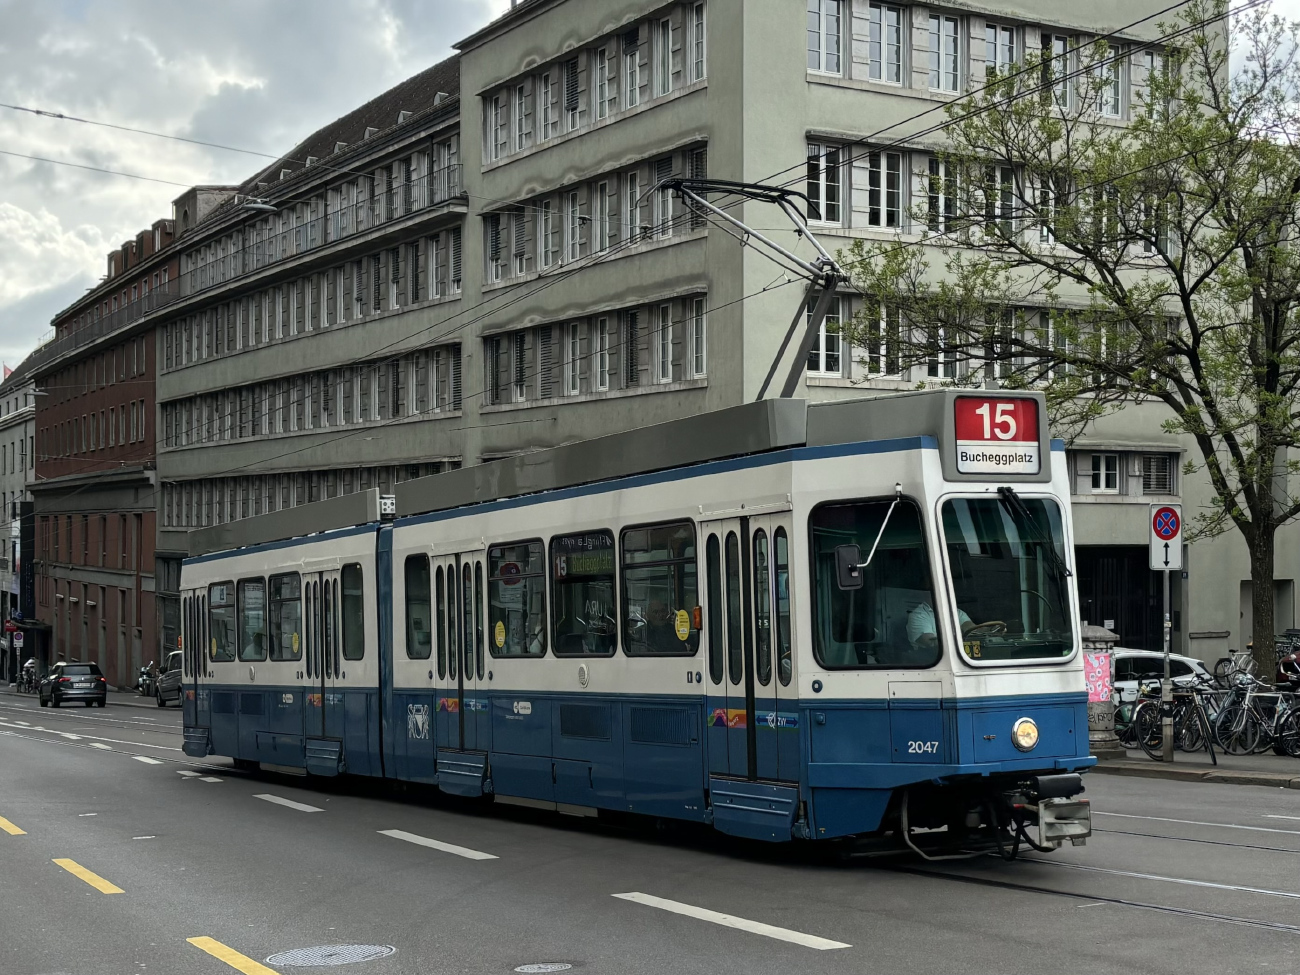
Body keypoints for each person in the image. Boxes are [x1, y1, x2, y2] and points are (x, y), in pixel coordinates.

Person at [906, 601, 978, 650]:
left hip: (959, 655)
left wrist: (987, 631)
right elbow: (931, 643)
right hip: (930, 660)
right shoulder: (918, 615)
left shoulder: (957, 612)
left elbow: (973, 630)